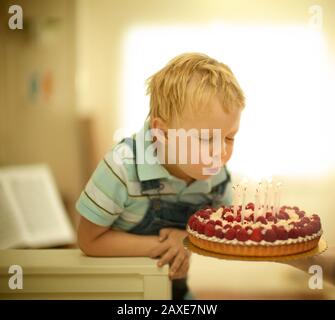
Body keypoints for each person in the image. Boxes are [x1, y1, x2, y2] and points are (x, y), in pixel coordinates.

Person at [75, 52, 245, 299]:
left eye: (229, 137)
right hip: (117, 293)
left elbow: (220, 232)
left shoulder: (216, 177)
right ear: (162, 133)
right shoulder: (123, 167)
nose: (220, 152)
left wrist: (189, 238)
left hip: (173, 291)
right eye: (207, 138)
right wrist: (167, 245)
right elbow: (89, 240)